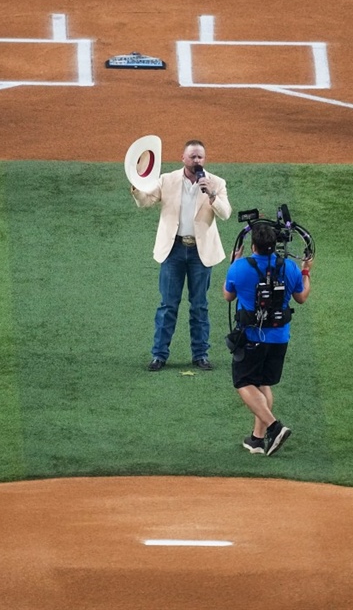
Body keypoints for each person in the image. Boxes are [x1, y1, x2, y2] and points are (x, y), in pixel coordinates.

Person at [130, 139, 231, 371]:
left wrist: (212, 195)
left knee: (199, 306)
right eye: (193, 157)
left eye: (200, 157)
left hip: (200, 252)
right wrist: (136, 185)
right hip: (173, 250)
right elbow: (145, 202)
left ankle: (200, 354)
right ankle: (159, 355)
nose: (197, 161)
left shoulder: (216, 183)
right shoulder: (167, 180)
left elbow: (225, 213)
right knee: (167, 305)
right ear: (183, 159)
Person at [223, 223, 310, 456]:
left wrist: (233, 262)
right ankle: (257, 440)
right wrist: (306, 271)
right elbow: (301, 297)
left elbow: (227, 295)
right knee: (263, 383)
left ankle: (274, 427)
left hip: (251, 337)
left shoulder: (239, 268)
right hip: (280, 338)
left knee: (243, 382)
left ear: (254, 246)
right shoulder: (290, 268)